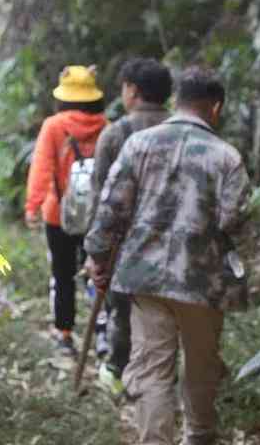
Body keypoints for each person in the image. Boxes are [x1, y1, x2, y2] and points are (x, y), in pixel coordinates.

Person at [86, 67, 249, 445]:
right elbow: (234, 220)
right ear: (216, 107)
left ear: (177, 100)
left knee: (153, 369)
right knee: (201, 368)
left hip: (145, 277)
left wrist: (97, 255)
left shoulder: (139, 144)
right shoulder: (227, 157)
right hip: (202, 281)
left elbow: (112, 206)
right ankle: (199, 437)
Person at [88, 57, 173, 396]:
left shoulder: (115, 135)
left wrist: (95, 252)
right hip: (173, 240)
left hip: (126, 243)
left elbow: (101, 199)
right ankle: (160, 379)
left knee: (121, 310)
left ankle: (118, 373)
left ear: (133, 91)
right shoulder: (183, 130)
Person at [24, 65, 108, 355]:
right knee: (98, 271)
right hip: (96, 219)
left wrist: (32, 205)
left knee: (62, 274)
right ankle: (102, 335)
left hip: (58, 214)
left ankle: (64, 334)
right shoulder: (107, 127)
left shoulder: (54, 126)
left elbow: (42, 167)